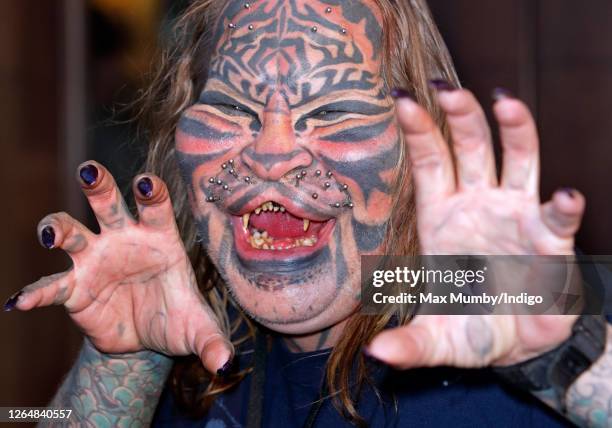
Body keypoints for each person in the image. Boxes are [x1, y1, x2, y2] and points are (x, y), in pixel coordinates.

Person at [4, 0, 611, 427]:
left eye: (333, 112)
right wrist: (126, 360)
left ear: (418, 144)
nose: (271, 153)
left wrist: (567, 358)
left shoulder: (503, 295)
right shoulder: (189, 334)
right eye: (233, 110)